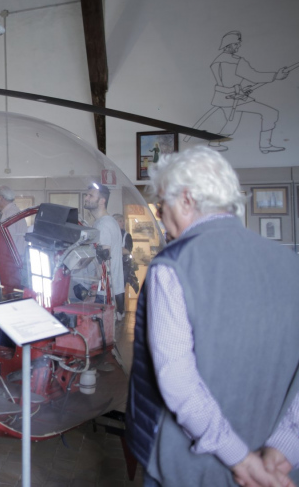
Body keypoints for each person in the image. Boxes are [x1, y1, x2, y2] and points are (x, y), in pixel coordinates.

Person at [126, 146, 299, 487]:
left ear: (186, 199)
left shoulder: (174, 264)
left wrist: (241, 459)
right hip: (275, 470)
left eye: (161, 204)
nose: (160, 214)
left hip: (186, 468)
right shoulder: (290, 264)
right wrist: (284, 448)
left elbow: (178, 380)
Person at [208, 31, 291, 153]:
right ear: (228, 45)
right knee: (271, 113)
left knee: (231, 126)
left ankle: (213, 143)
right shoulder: (236, 61)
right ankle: (265, 145)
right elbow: (254, 76)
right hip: (234, 99)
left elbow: (227, 82)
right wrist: (275, 76)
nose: (238, 46)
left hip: (223, 97)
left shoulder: (217, 60)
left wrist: (242, 89)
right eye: (236, 44)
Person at [83, 183, 125, 319]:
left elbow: (103, 262)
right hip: (107, 291)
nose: (86, 198)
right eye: (86, 195)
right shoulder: (106, 222)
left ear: (102, 201)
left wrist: (93, 292)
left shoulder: (103, 225)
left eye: (91, 196)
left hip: (102, 293)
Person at [0, 186, 27, 256]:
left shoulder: (9, 214)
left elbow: (8, 239)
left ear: (0, 198)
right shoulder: (13, 211)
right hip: (18, 255)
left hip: (13, 257)